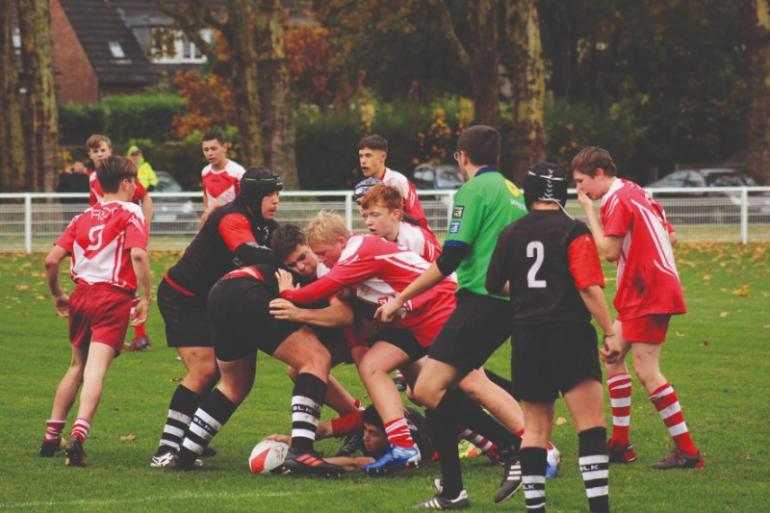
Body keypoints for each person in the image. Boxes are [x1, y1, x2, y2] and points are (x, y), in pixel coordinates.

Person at [278, 212, 526, 478]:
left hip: (440, 309)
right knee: (406, 383)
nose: (318, 261)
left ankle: (536, 447)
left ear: (340, 241)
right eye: (364, 213)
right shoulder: (352, 255)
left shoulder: (358, 249)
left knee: (472, 384)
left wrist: (289, 296)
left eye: (373, 212)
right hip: (412, 320)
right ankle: (405, 445)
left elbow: (332, 298)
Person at [376, 125, 529, 509]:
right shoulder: (514, 192)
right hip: (505, 305)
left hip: (480, 303)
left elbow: (449, 259)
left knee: (425, 390)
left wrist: (399, 300)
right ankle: (452, 491)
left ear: (462, 156)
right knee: (435, 393)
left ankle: (515, 449)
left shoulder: (473, 191)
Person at [487, 163, 615, 513]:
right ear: (560, 195)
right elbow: (588, 286)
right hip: (569, 334)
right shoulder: (573, 231)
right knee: (589, 426)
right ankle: (599, 508)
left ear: (528, 194)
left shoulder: (510, 233)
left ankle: (535, 508)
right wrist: (610, 330)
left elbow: (495, 283)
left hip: (527, 338)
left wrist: (529, 289)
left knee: (535, 430)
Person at [572, 146, 703, 470]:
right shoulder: (636, 190)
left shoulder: (615, 201)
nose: (580, 190)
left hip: (648, 291)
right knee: (614, 357)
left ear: (599, 174)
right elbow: (671, 237)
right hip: (643, 289)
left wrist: (589, 212)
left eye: (581, 182)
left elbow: (609, 252)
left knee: (647, 370)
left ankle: (687, 451)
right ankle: (620, 443)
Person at [150, 166, 283, 468]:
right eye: (270, 194)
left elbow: (286, 244)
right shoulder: (231, 216)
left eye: (278, 194)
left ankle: (190, 437)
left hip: (213, 301)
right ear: (253, 195)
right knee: (204, 371)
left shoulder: (266, 224)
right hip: (183, 298)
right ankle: (166, 449)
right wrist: (286, 257)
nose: (276, 200)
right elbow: (247, 253)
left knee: (229, 375)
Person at [164, 262, 344, 476]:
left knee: (234, 385)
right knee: (316, 359)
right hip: (248, 291)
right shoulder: (332, 269)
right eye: (303, 256)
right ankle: (302, 452)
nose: (303, 265)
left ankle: (185, 456)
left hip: (220, 291)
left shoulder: (287, 262)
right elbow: (344, 314)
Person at [39, 156, 151, 466]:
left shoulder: (81, 217)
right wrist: (145, 297)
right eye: (135, 182)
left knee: (76, 366)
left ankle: (51, 436)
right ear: (126, 184)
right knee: (95, 370)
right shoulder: (131, 211)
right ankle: (78, 436)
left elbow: (51, 260)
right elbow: (139, 255)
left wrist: (58, 294)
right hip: (112, 298)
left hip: (81, 296)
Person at [85, 134, 154, 352]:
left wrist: (146, 229)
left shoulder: (121, 175)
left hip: (127, 233)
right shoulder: (93, 178)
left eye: (103, 150)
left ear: (110, 150)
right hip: (110, 238)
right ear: (89, 155)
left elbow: (146, 197)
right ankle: (115, 334)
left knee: (126, 282)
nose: (99, 154)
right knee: (112, 283)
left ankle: (138, 335)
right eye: (95, 151)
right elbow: (96, 208)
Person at [358, 134, 429, 229]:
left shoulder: (397, 181)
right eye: (361, 156)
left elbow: (419, 219)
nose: (363, 161)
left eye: (368, 156)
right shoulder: (367, 186)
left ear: (383, 157)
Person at [359, 184, 441, 262]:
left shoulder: (419, 241)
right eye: (365, 216)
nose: (368, 222)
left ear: (396, 214)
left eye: (375, 215)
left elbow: (445, 273)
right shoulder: (368, 242)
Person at [200, 130, 246, 225]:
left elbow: (244, 204)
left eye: (213, 149)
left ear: (224, 147)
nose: (210, 153)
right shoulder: (205, 171)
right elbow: (206, 196)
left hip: (233, 225)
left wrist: (217, 207)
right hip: (212, 225)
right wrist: (207, 213)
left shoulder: (238, 172)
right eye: (206, 150)